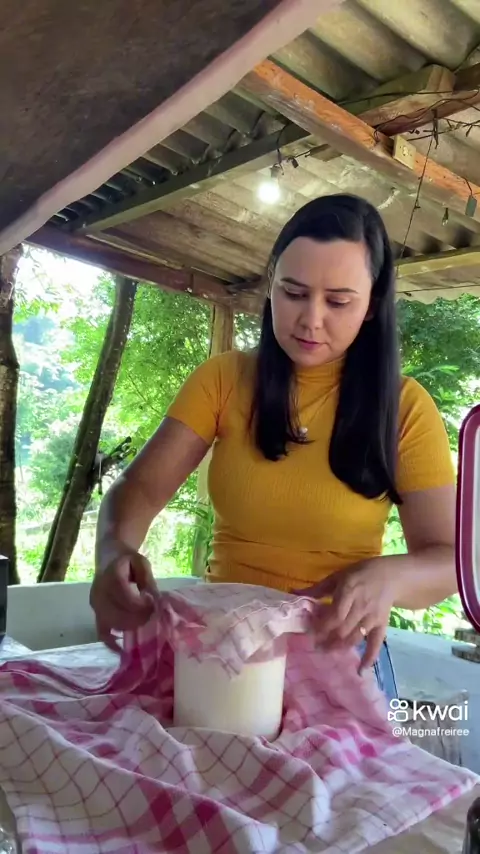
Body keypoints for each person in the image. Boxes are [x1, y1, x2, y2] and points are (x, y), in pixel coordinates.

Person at [91, 194, 457, 700]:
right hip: (222, 648)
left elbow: (448, 561)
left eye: (338, 302)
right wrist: (113, 552)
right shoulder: (224, 380)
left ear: (372, 305)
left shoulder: (404, 409)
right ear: (270, 285)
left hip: (333, 653)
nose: (310, 319)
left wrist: (390, 577)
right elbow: (139, 490)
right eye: (293, 292)